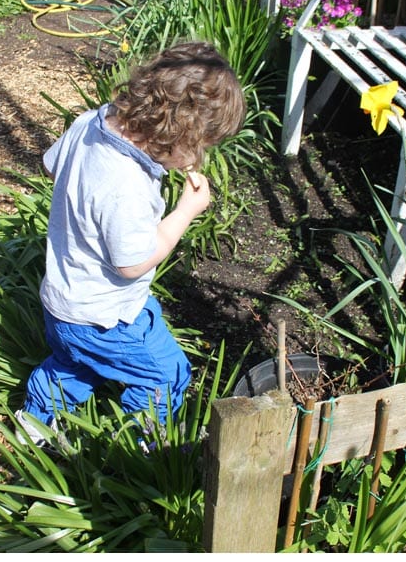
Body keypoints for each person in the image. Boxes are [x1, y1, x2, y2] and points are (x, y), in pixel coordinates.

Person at [15, 41, 246, 445]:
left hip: (64, 302)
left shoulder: (91, 122)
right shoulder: (127, 186)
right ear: (178, 133)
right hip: (105, 317)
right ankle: (139, 450)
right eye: (200, 148)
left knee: (74, 365)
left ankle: (36, 425)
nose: (198, 160)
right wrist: (185, 212)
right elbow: (132, 263)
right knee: (165, 373)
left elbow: (53, 168)